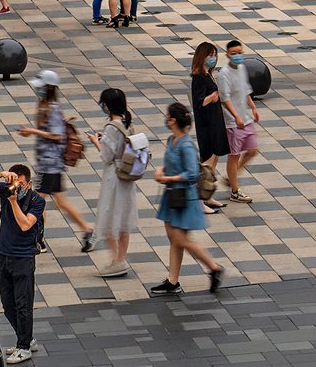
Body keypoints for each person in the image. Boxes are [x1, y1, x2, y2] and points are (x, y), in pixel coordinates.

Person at [152, 102, 226, 295]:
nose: (165, 118)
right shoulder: (171, 140)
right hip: (172, 196)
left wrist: (168, 177)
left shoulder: (186, 145)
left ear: (173, 120)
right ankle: (172, 280)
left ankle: (214, 267)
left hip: (184, 198)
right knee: (174, 238)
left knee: (180, 239)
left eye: (167, 116)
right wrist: (162, 171)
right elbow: (172, 165)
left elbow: (192, 174)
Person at [18, 69, 93, 252]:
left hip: (50, 164)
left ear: (49, 87)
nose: (39, 90)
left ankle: (39, 240)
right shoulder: (45, 105)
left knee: (37, 201)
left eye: (42, 87)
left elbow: (57, 135)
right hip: (48, 163)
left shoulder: (53, 107)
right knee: (60, 202)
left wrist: (32, 131)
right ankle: (86, 230)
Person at [86, 89, 140, 279]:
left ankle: (117, 261)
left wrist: (96, 141)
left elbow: (106, 156)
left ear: (107, 105)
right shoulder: (128, 124)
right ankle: (120, 258)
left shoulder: (111, 127)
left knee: (108, 218)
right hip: (127, 176)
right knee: (124, 219)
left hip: (114, 177)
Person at [0, 163, 45, 363]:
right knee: (7, 305)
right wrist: (1, 174)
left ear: (29, 184)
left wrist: (13, 201)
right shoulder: (6, 191)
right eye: (15, 183)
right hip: (2, 255)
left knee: (23, 304)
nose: (17, 187)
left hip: (23, 258)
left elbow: (25, 225)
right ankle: (26, 338)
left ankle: (24, 347)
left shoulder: (37, 201)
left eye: (21, 184)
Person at [217, 39, 263, 203]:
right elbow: (225, 99)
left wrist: (253, 108)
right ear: (227, 55)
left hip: (246, 119)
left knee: (252, 150)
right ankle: (235, 191)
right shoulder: (224, 74)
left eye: (239, 53)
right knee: (234, 155)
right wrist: (236, 116)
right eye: (233, 53)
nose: (237, 56)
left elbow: (246, 90)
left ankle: (232, 176)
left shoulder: (242, 68)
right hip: (232, 123)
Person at [189, 42, 229, 214]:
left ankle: (207, 194)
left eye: (214, 55)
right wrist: (212, 96)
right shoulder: (198, 78)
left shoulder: (208, 75)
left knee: (214, 159)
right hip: (207, 123)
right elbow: (198, 102)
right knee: (207, 161)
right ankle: (198, 198)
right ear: (202, 56)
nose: (213, 58)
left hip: (215, 120)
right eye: (210, 55)